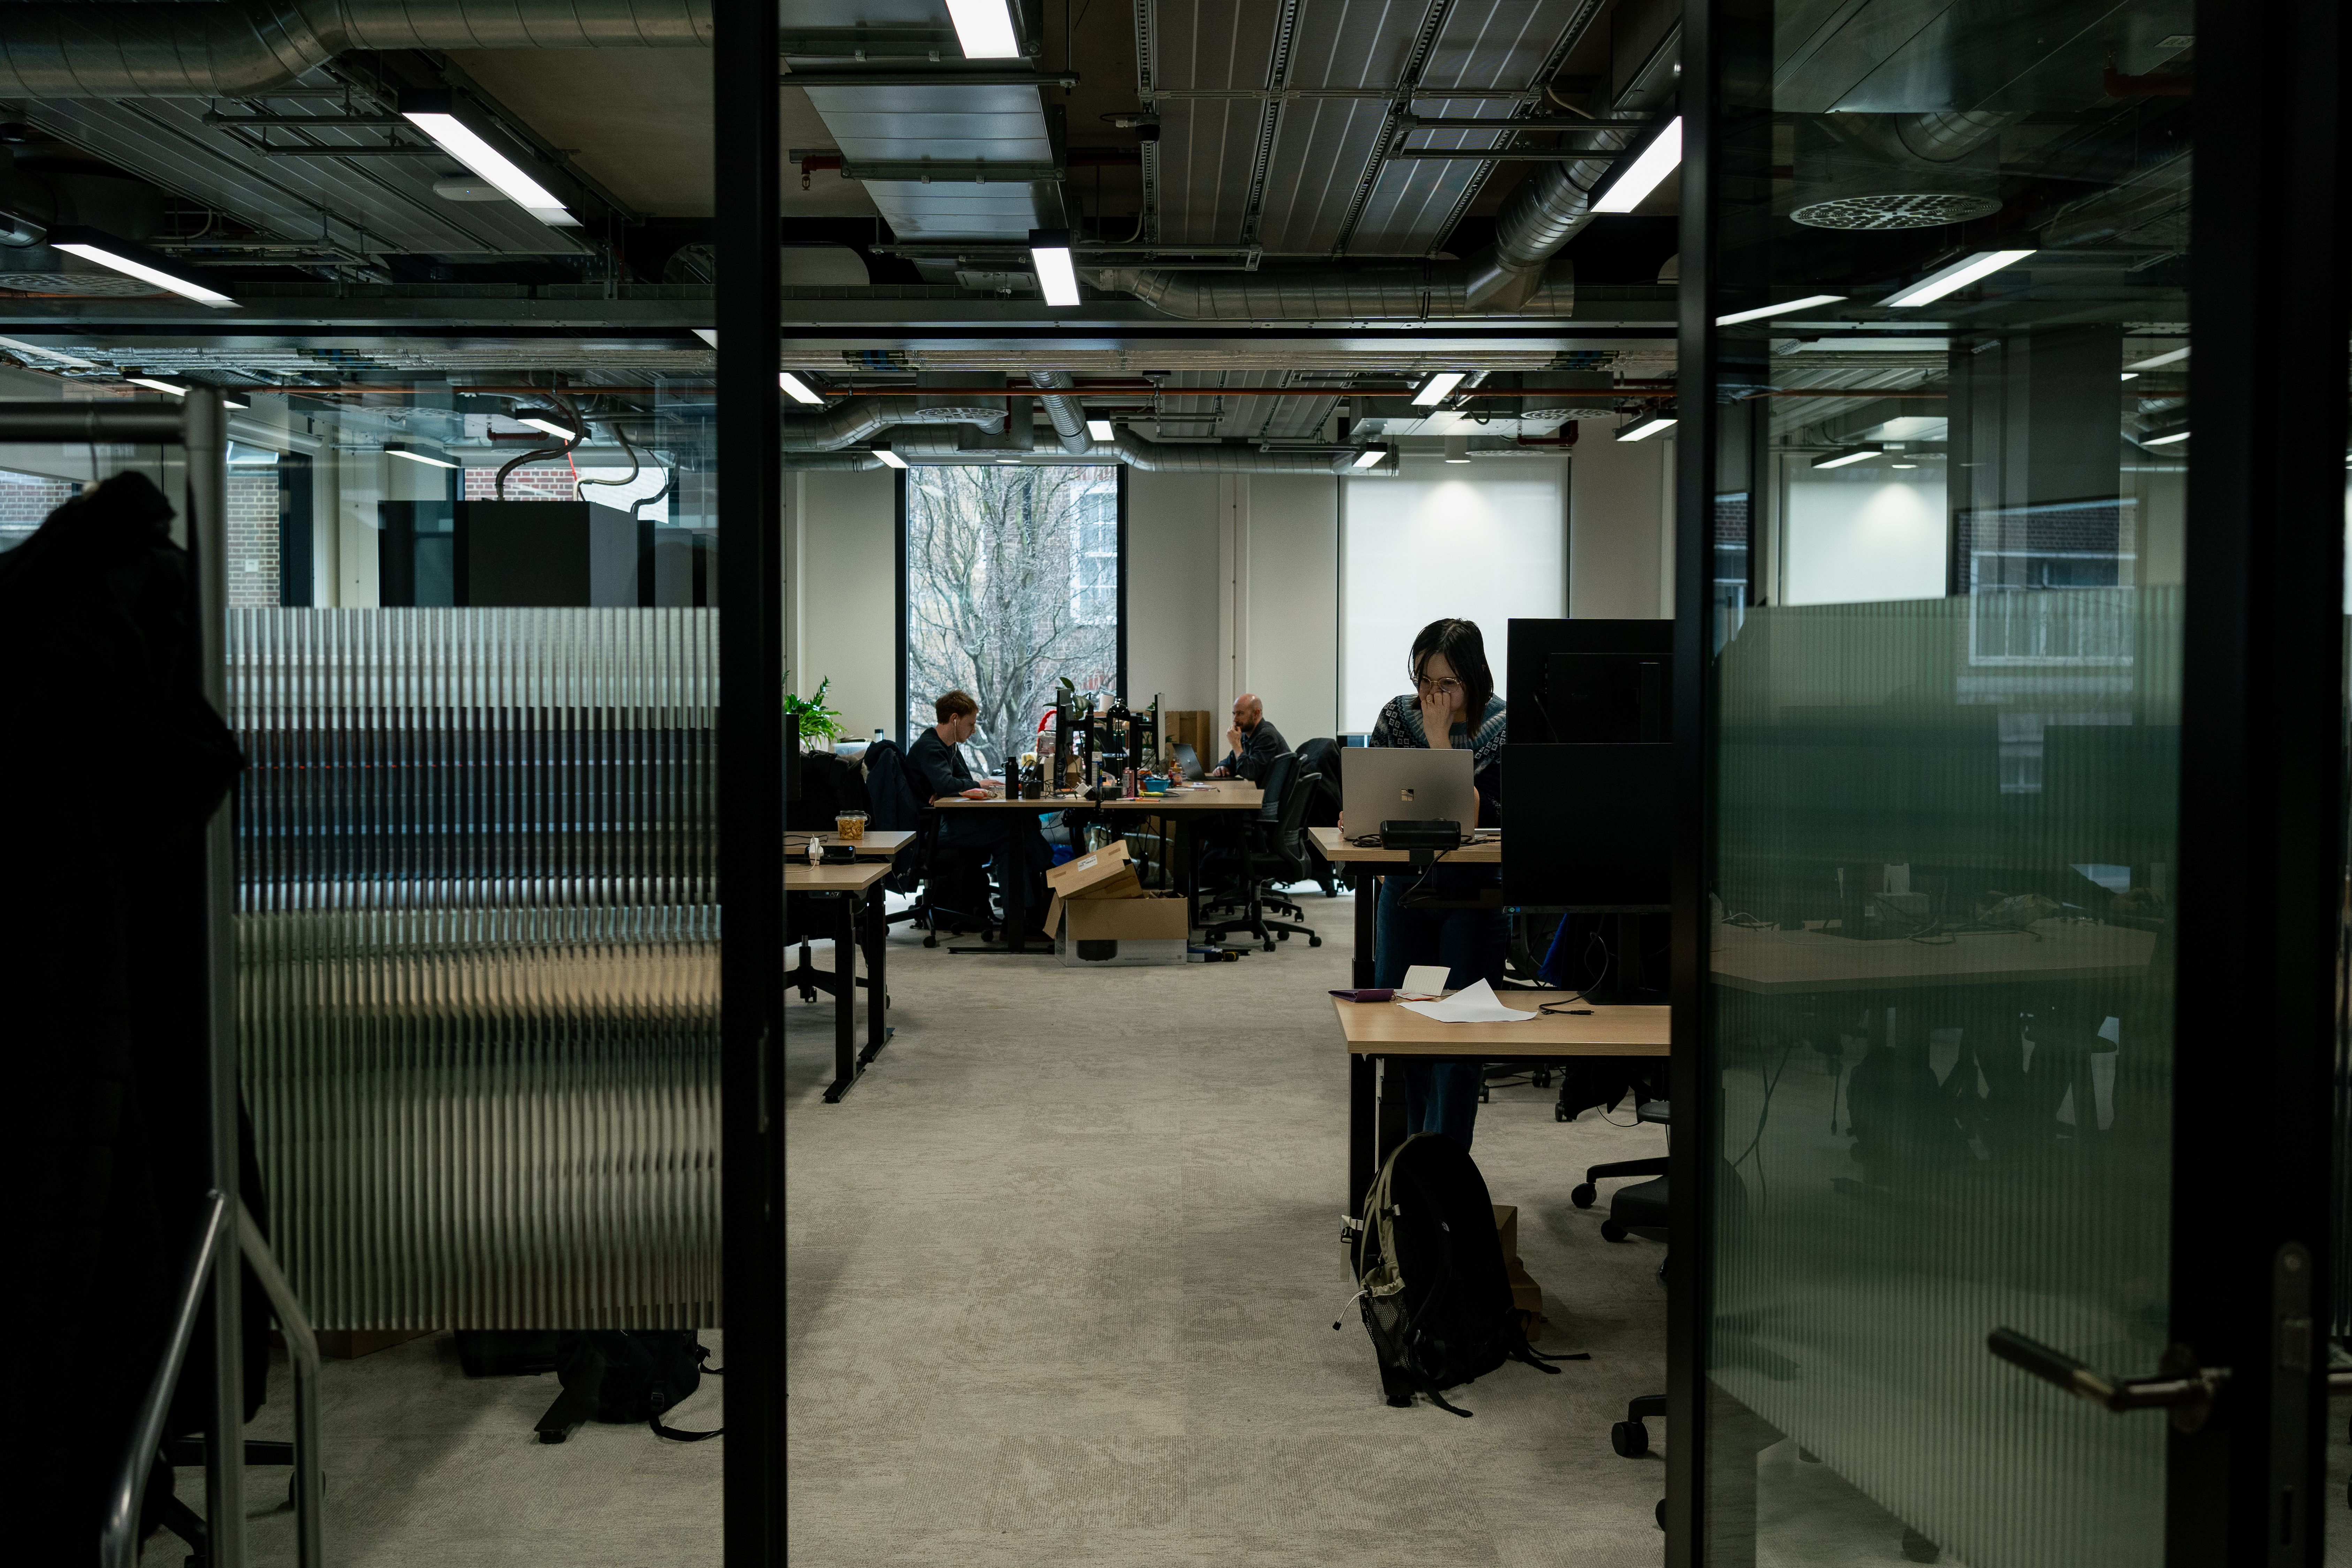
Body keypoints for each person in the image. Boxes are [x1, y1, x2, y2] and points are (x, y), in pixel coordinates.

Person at [1367, 618, 1507, 1150]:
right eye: (1425, 681)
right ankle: (1411, 1163)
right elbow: (1376, 797)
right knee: (1405, 1031)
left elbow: (1484, 817)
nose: (1433, 696)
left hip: (1472, 893)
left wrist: (1439, 741)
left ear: (1474, 678)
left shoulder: (1502, 726)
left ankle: (1448, 1166)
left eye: (1447, 683)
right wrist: (1359, 813)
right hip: (1406, 889)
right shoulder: (1394, 717)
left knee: (1459, 1039)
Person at [908, 689, 1052, 933]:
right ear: (955, 719)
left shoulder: (949, 747)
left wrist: (955, 788)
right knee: (1010, 832)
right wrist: (958, 787)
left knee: (1019, 825)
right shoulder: (930, 747)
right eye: (971, 724)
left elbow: (959, 781)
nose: (973, 730)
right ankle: (1041, 890)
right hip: (934, 829)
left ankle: (1024, 913)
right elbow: (949, 784)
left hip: (949, 821)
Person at [1209, 693, 1288, 781]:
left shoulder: (1267, 736)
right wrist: (1222, 768)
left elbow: (1250, 773)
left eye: (1240, 714)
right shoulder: (1246, 735)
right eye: (1234, 714)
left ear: (1256, 714)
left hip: (1267, 790)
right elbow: (1231, 762)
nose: (1235, 720)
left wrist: (1236, 745)